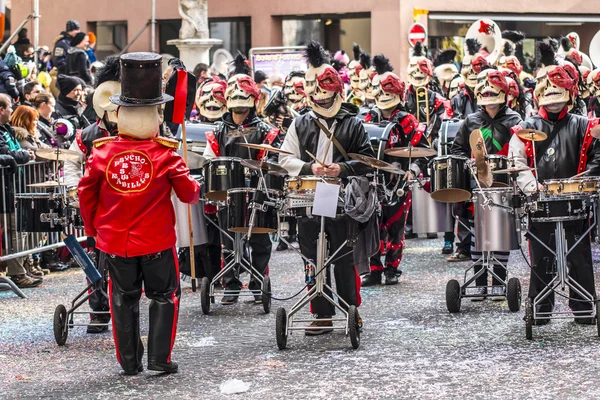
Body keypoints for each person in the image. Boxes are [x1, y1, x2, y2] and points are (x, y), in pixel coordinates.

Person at [79, 52, 201, 375]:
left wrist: (93, 229)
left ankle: (129, 362)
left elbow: (85, 193)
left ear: (119, 113)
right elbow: (189, 193)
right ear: (155, 113)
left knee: (122, 298)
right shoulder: (166, 154)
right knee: (163, 296)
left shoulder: (101, 153)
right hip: (157, 242)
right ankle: (159, 358)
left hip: (115, 243)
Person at [279, 41, 374, 335]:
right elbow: (285, 157)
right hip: (308, 194)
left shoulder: (354, 124)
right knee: (313, 259)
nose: (320, 102)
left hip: (341, 196)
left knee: (343, 259)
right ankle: (321, 315)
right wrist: (310, 168)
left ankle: (350, 312)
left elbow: (369, 161)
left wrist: (341, 169)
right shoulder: (300, 124)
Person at [509, 41, 600, 325]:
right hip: (540, 203)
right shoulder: (526, 127)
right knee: (542, 260)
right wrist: (530, 187)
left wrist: (582, 182)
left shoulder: (585, 124)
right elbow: (517, 162)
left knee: (580, 258)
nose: (551, 91)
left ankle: (585, 308)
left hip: (576, 202)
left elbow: (598, 159)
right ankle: (540, 309)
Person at [203, 52, 279, 305]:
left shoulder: (266, 131)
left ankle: (258, 285)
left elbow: (273, 162)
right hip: (228, 193)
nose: (239, 110)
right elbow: (209, 161)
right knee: (228, 241)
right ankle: (231, 285)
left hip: (257, 192)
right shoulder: (216, 131)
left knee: (260, 240)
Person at [450, 66, 522, 300]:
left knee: (500, 231)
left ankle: (500, 279)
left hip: (502, 184)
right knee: (477, 230)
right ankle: (479, 280)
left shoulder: (515, 119)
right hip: (476, 186)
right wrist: (468, 163)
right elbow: (458, 149)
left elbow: (522, 151)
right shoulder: (471, 120)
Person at [361, 54, 430, 286]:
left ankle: (392, 267)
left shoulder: (408, 120)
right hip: (372, 180)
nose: (382, 97)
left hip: (398, 180)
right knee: (371, 225)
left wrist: (413, 169)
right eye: (379, 92)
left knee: (396, 226)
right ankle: (374, 268)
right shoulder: (367, 118)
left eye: (387, 92)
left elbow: (423, 150)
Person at [0, 94, 40, 287]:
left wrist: (22, 155)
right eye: (9, 107)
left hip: (14, 187)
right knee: (15, 231)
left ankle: (23, 268)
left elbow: (12, 152)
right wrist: (24, 155)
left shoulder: (7, 129)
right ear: (1, 110)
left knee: (20, 229)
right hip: (5, 189)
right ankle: (18, 274)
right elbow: (7, 153)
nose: (12, 110)